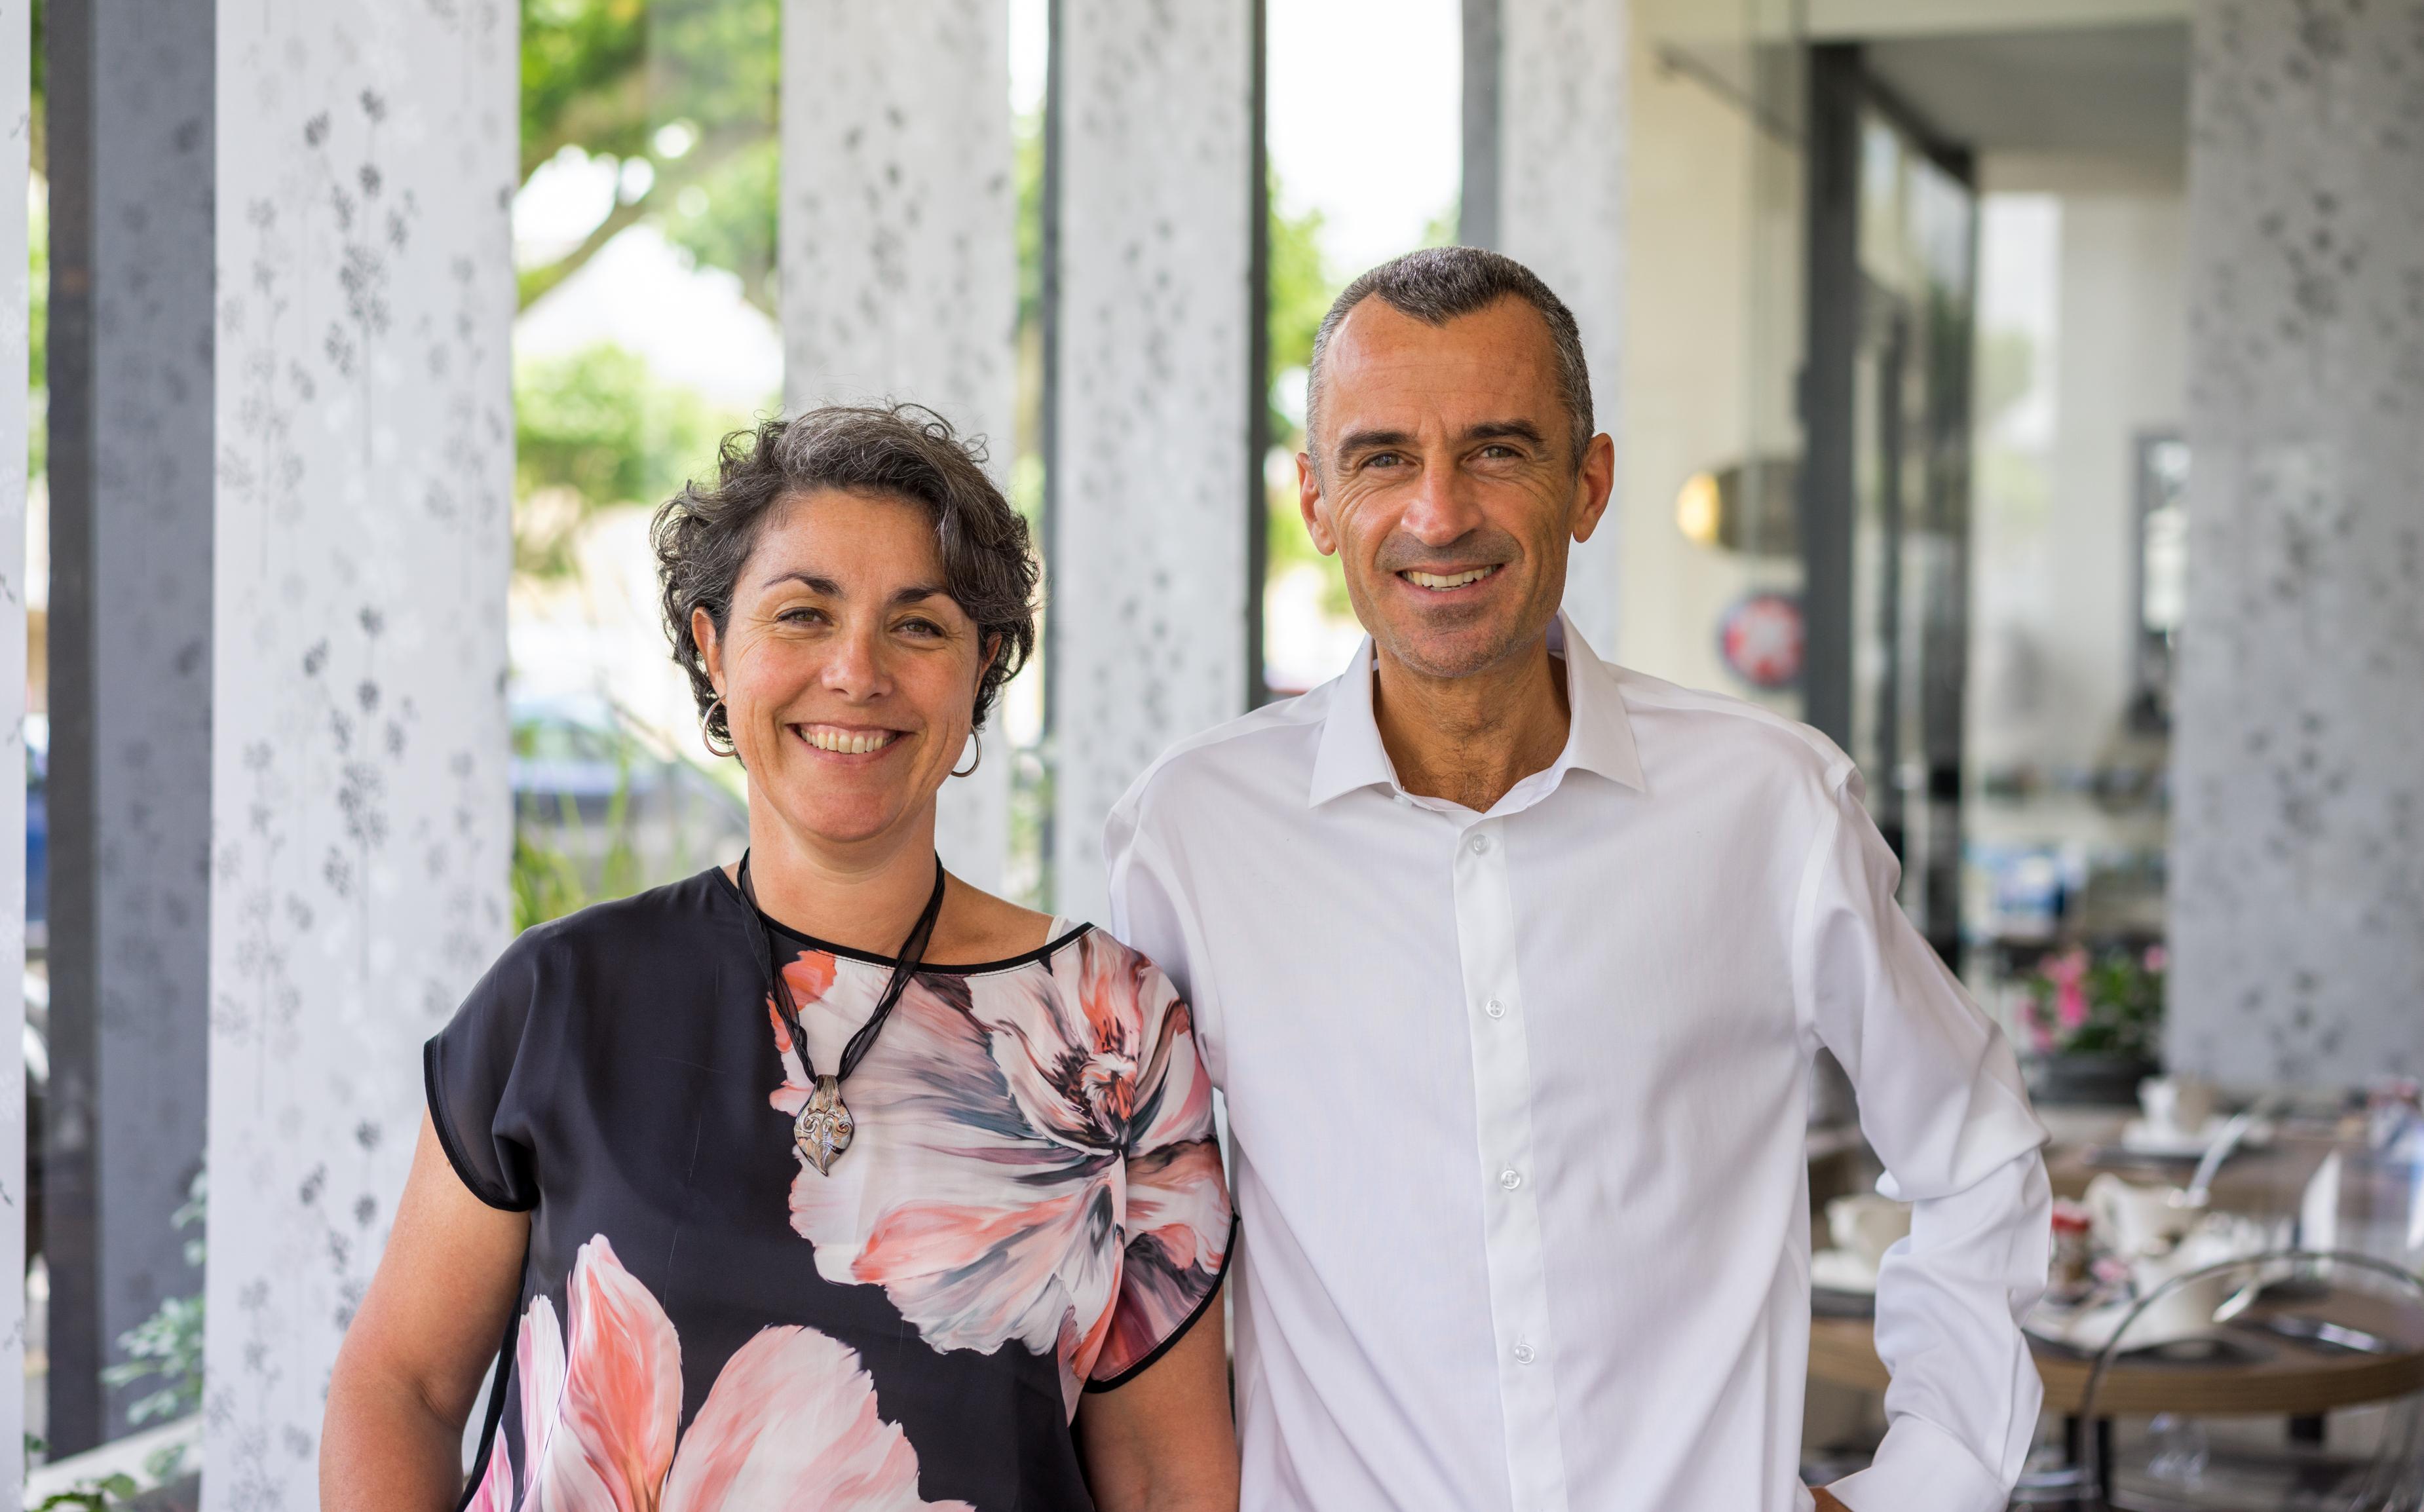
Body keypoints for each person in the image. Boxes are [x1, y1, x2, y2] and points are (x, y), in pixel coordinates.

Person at [1106, 247, 2050, 1512]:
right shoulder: (1197, 831)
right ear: (1319, 500)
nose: (1439, 513)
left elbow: (1975, 1143)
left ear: (1588, 483)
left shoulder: (1771, 802)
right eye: (1383, 457)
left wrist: (1927, 1484)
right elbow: (1130, 1252)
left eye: (1497, 449)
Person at [322, 406, 1239, 1512]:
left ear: (981, 666)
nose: (855, 672)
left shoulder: (1116, 1031)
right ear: (715, 649)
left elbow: (1161, 1473)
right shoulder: (558, 1000)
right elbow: (403, 1384)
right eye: (803, 614)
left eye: (920, 626)